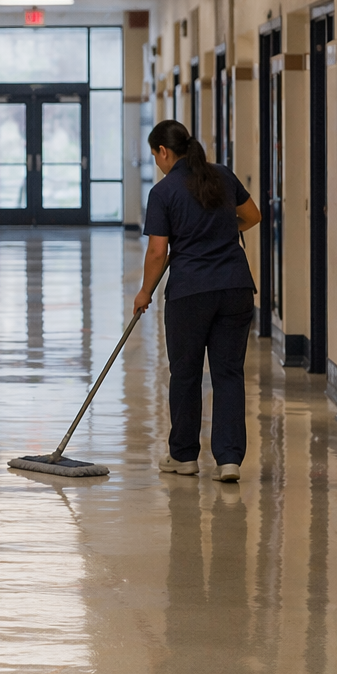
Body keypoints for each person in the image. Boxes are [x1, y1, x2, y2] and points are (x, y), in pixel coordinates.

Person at [134, 120, 261, 482]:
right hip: (235, 288)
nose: (157, 162)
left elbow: (158, 251)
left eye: (155, 155)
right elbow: (252, 216)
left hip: (190, 293)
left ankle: (185, 456)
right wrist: (221, 231)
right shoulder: (221, 175)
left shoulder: (163, 192)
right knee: (228, 374)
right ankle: (229, 460)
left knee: (186, 374)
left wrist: (145, 291)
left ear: (164, 151)